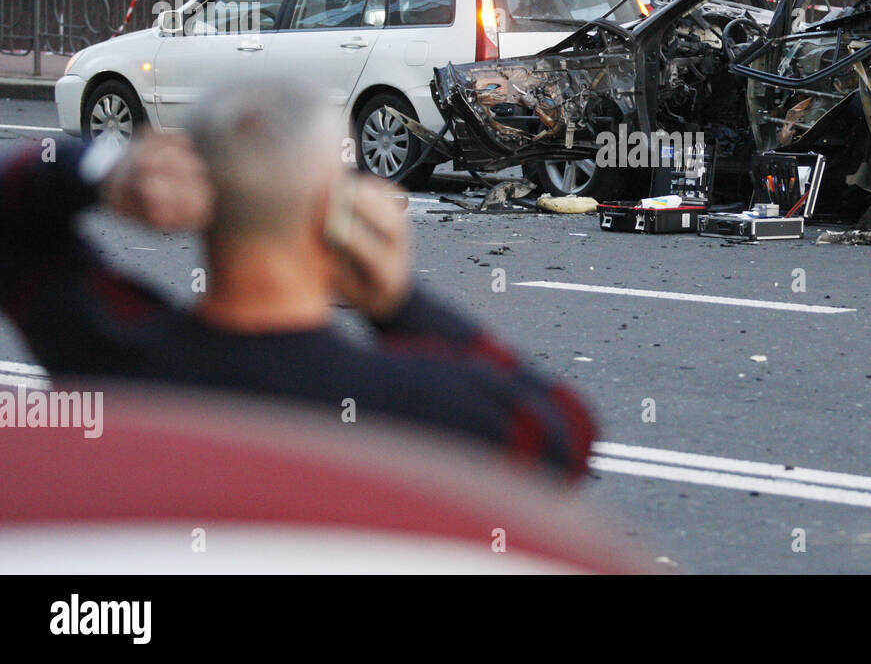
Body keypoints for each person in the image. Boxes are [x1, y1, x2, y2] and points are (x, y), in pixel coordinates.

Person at [0, 77, 594, 481]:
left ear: (199, 203)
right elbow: (562, 431)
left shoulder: (116, 354)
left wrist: (106, 167)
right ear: (333, 211)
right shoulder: (412, 401)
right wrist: (397, 303)